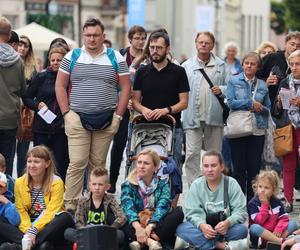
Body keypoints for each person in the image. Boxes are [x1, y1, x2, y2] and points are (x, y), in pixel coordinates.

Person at [55, 18, 131, 212]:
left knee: (97, 165)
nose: (92, 39)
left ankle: (94, 208)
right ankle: (70, 208)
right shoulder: (72, 56)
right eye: (88, 35)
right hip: (76, 118)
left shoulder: (115, 57)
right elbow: (60, 86)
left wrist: (118, 117)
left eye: (96, 35)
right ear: (83, 36)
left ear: (103, 36)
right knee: (77, 163)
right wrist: (66, 114)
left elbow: (125, 88)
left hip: (106, 120)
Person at [132, 30, 190, 170]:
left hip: (172, 125)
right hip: (145, 128)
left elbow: (184, 102)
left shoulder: (178, 72)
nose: (155, 51)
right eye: (152, 47)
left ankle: (173, 193)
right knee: (145, 168)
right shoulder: (142, 72)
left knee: (172, 167)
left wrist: (166, 110)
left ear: (167, 49)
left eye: (159, 48)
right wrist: (143, 109)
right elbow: (135, 101)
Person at [0, 145, 74, 249]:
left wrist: (34, 230)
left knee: (65, 217)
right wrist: (28, 231)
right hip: (27, 227)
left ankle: (24, 245)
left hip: (47, 226)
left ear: (47, 163)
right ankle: (30, 243)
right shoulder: (20, 182)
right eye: (29, 161)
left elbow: (52, 211)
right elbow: (21, 211)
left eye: (36, 162)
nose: (32, 165)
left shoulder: (57, 182)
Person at [176, 150, 248, 250]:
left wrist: (228, 222)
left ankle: (195, 244)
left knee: (242, 230)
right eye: (206, 166)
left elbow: (241, 211)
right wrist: (202, 225)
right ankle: (222, 246)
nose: (209, 169)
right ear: (202, 168)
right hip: (203, 229)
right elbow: (192, 212)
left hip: (225, 229)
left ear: (222, 167)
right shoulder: (196, 185)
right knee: (182, 229)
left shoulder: (231, 183)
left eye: (213, 165)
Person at [181, 31, 227, 186]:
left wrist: (222, 89)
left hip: (214, 117)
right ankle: (194, 188)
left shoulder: (221, 65)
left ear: (212, 45)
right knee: (192, 154)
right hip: (191, 117)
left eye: (207, 43)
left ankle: (213, 187)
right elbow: (180, 90)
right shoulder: (187, 66)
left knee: (214, 156)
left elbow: (231, 87)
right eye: (200, 42)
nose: (203, 45)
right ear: (196, 44)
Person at [109, 25, 147, 194]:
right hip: (121, 107)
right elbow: (113, 80)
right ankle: (111, 182)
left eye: (143, 38)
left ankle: (135, 184)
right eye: (137, 38)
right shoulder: (120, 56)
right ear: (130, 39)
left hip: (141, 107)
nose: (140, 41)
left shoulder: (149, 57)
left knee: (138, 148)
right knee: (118, 146)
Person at [23, 45, 69, 182]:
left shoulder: (69, 78)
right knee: (39, 164)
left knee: (61, 165)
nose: (55, 62)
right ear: (49, 60)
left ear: (65, 61)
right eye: (53, 60)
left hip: (62, 129)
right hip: (42, 129)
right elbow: (26, 98)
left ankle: (59, 196)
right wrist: (37, 105)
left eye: (59, 60)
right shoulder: (41, 77)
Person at [121, 149, 184, 250]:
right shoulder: (128, 184)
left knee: (177, 213)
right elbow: (128, 208)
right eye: (139, 162)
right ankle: (151, 242)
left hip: (155, 222)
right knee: (120, 217)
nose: (141, 166)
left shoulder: (163, 183)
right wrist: (138, 227)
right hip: (136, 222)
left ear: (155, 167)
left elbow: (163, 206)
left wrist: (150, 226)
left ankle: (140, 242)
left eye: (146, 163)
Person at [64, 168, 127, 248]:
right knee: (68, 232)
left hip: (104, 232)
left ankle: (94, 244)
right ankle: (95, 243)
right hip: (87, 232)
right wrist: (85, 232)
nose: (97, 188)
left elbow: (122, 216)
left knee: (120, 234)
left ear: (107, 187)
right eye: (94, 184)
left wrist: (111, 229)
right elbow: (79, 221)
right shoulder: (83, 200)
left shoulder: (110, 199)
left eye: (100, 185)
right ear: (89, 185)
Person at [272, 50, 300, 213]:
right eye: (292, 64)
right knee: (288, 165)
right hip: (288, 128)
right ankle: (288, 200)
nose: (295, 67)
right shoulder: (284, 82)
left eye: (298, 64)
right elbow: (276, 111)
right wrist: (278, 103)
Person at [0, 16, 26, 176]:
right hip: (10, 119)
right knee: (7, 164)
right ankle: (5, 197)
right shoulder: (18, 61)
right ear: (10, 36)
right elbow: (22, 92)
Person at [248, 170, 298, 249]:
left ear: (273, 189)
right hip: (263, 235)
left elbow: (284, 218)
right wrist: (264, 204)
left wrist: (279, 229)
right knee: (254, 227)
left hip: (277, 233)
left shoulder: (277, 202)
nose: (262, 190)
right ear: (256, 187)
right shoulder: (253, 203)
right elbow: (259, 221)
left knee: (294, 223)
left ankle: (276, 242)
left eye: (266, 188)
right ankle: (282, 242)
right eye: (260, 186)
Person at [15, 35, 38, 177]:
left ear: (29, 49)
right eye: (20, 44)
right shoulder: (8, 62)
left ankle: (21, 180)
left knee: (23, 152)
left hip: (26, 113)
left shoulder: (33, 68)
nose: (22, 48)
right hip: (10, 109)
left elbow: (33, 93)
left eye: (26, 45)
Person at [258, 31, 300, 107]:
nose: (295, 48)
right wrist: (265, 82)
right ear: (285, 44)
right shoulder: (271, 57)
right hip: (267, 106)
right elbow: (253, 76)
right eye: (292, 44)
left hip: (290, 109)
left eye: (298, 45)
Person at [0, 172, 20, 245]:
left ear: (6, 187)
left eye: (0, 186)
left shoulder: (9, 199)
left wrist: (6, 202)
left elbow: (15, 221)